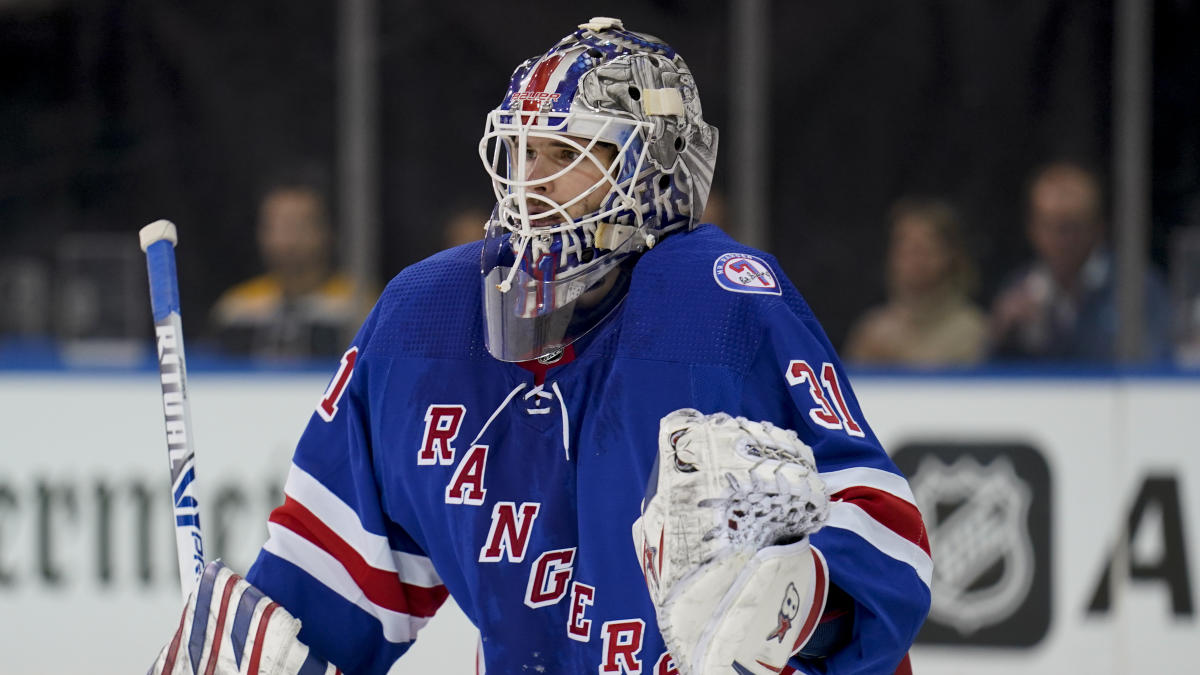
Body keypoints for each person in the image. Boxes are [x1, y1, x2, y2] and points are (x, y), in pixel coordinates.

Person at [152, 18, 930, 675]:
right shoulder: (427, 321)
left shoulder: (719, 304)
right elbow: (335, 590)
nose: (532, 180)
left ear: (655, 168)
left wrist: (801, 592)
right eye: (524, 152)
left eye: (568, 154)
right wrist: (257, 649)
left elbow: (888, 537)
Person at [989, 161, 1171, 362]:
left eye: (1071, 227)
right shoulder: (1019, 287)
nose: (1060, 240)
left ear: (1098, 227)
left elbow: (1157, 366)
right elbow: (989, 381)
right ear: (1032, 229)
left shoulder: (1138, 288)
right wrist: (1000, 334)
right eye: (1048, 226)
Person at [209, 170, 365, 360]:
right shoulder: (238, 307)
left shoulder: (357, 304)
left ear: (328, 231)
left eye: (300, 225)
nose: (289, 238)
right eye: (278, 226)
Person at [844, 197, 986, 367]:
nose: (915, 259)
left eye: (925, 247)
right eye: (905, 247)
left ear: (950, 254)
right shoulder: (872, 330)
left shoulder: (973, 330)